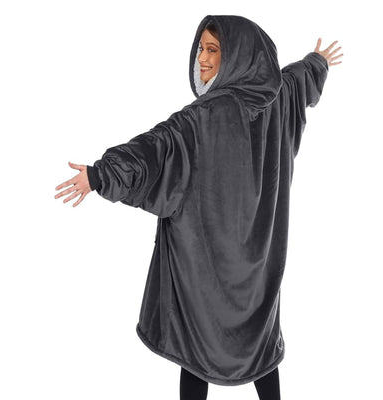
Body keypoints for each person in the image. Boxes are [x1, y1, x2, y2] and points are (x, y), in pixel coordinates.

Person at [54, 15, 343, 400]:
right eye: (201, 49)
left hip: (206, 272)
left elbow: (154, 152)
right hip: (259, 271)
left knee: (195, 349)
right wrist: (317, 62)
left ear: (237, 55)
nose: (202, 59)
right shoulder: (279, 100)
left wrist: (101, 175)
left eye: (213, 50)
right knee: (260, 346)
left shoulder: (200, 120)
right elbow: (295, 79)